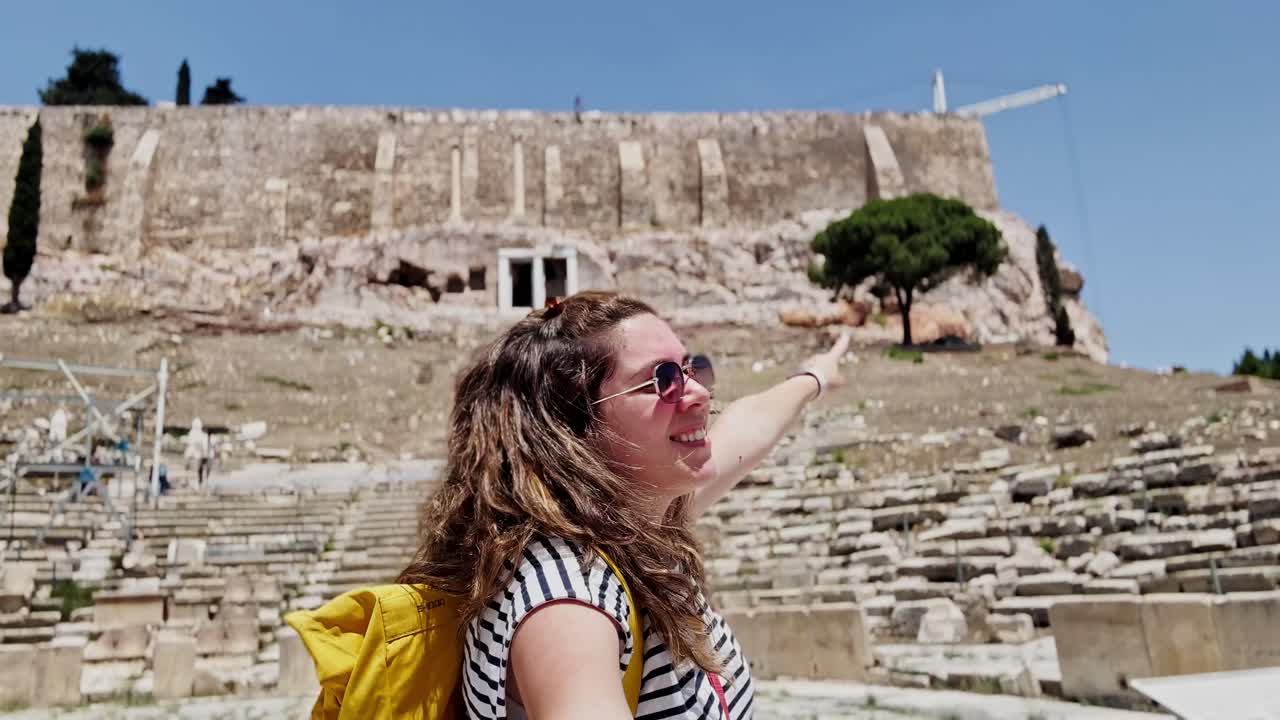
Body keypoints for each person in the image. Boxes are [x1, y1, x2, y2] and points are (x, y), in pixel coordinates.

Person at [398, 291, 847, 719]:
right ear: (574, 427)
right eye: (663, 380)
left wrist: (815, 376)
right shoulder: (569, 599)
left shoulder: (628, 523)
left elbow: (747, 429)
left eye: (690, 370)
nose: (699, 393)